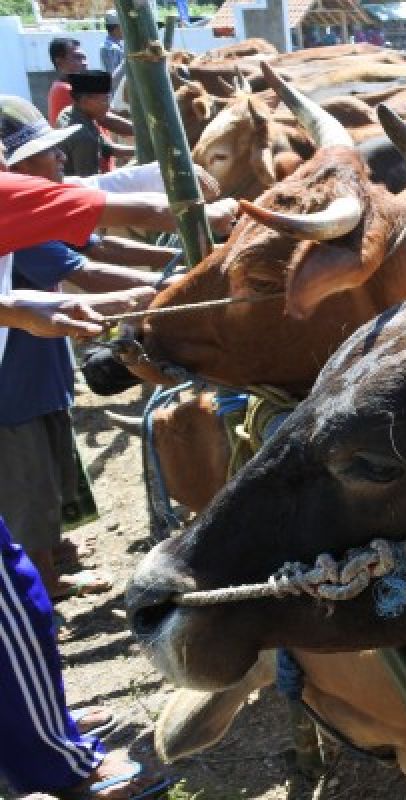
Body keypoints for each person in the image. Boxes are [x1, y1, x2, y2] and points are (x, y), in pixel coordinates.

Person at [0, 134, 177, 800]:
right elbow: (141, 215)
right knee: (14, 596)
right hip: (12, 407)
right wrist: (209, 215)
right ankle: (57, 766)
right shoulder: (17, 203)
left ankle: (44, 724)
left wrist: (20, 310)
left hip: (28, 393)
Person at [0, 98, 160, 601]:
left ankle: (55, 561)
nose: (63, 159)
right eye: (50, 154)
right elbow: (92, 266)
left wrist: (172, 270)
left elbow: (97, 246)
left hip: (39, 379)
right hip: (14, 395)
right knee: (26, 492)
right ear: (18, 171)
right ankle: (41, 593)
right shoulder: (23, 225)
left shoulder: (39, 215)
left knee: (47, 477)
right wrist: (173, 281)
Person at [57, 71, 135, 177]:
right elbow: (90, 183)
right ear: (84, 101)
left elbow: (106, 148)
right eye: (105, 100)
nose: (108, 106)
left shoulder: (71, 113)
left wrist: (138, 151)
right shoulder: (83, 137)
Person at [100, 11, 124, 76]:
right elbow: (114, 74)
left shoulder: (110, 45)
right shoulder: (112, 48)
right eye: (123, 27)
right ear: (116, 29)